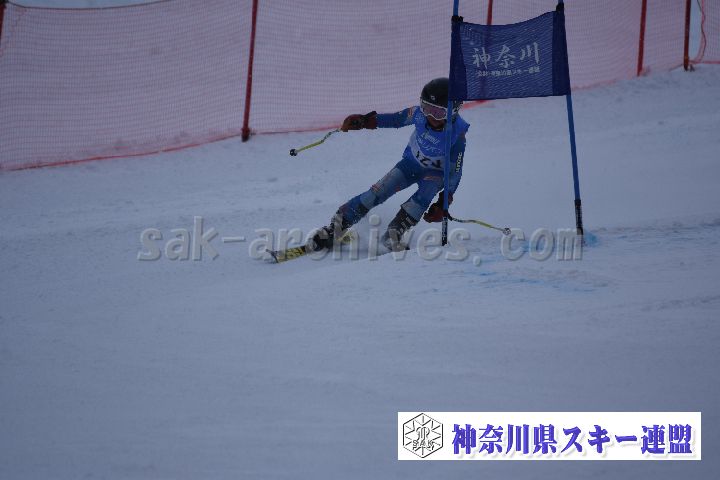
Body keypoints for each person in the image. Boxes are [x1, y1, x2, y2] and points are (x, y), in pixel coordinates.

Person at [311, 77, 469, 252]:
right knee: (377, 192)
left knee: (425, 194)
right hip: (411, 164)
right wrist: (365, 121)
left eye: (439, 113)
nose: (431, 117)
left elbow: (455, 172)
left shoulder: (457, 136)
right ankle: (335, 229)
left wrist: (444, 202)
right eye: (427, 108)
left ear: (453, 112)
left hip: (435, 173)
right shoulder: (418, 114)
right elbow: (396, 119)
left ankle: (393, 234)